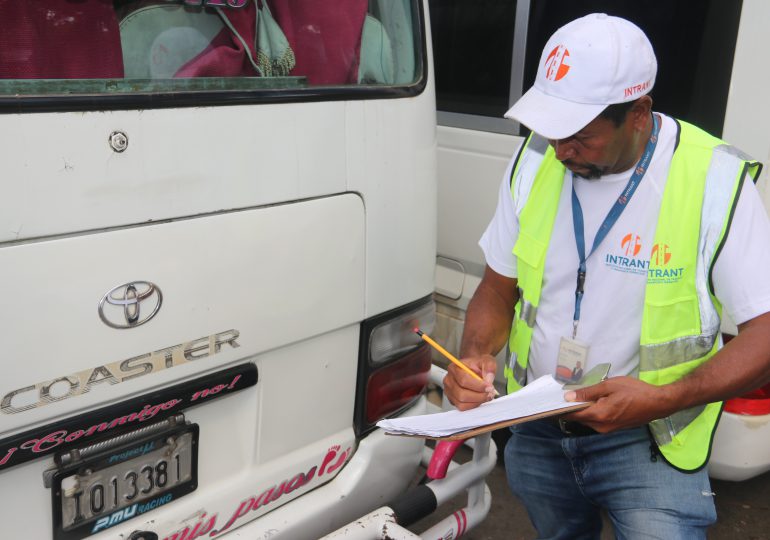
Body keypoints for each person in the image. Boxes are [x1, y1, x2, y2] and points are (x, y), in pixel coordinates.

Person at [442, 13, 770, 539]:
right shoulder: (535, 160)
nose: (559, 149)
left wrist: (661, 399)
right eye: (551, 132)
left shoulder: (712, 178)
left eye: (579, 136)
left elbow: (766, 333)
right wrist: (477, 354)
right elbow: (497, 287)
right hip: (537, 428)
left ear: (638, 113)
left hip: (651, 442)